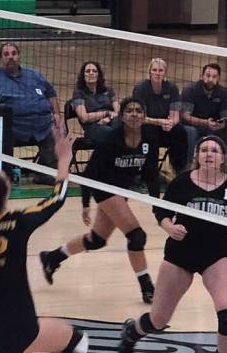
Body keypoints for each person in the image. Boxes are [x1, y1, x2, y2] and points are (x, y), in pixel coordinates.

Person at [0, 131, 88, 353]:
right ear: (5, 195)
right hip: (16, 319)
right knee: (77, 341)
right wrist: (63, 160)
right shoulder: (18, 222)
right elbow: (56, 199)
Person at [39, 97, 160, 304]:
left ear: (144, 116)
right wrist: (85, 204)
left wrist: (159, 206)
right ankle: (147, 288)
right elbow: (89, 174)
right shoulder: (111, 140)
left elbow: (151, 174)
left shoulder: (149, 139)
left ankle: (52, 257)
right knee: (136, 236)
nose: (134, 114)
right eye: (129, 110)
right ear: (122, 116)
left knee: (97, 240)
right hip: (103, 189)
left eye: (138, 110)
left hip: (121, 192)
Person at [118, 135, 227, 353]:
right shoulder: (182, 182)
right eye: (204, 150)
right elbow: (162, 211)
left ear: (223, 158)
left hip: (217, 256)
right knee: (158, 319)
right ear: (197, 155)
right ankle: (132, 332)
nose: (209, 154)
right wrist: (169, 227)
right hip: (181, 255)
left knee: (226, 314)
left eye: (214, 151)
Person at [0, 42, 61, 185]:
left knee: (57, 133)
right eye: (6, 54)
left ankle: (43, 174)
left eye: (13, 53)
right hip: (15, 127)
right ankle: (5, 174)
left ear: (19, 56)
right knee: (2, 137)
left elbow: (51, 93)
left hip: (42, 125)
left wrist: (57, 114)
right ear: (0, 58)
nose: (10, 57)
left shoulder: (34, 75)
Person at [131, 58, 188, 174]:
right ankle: (150, 173)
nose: (157, 73)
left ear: (165, 73)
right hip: (147, 125)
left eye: (160, 70)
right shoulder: (141, 88)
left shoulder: (172, 88)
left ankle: (179, 170)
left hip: (165, 126)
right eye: (154, 70)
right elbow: (140, 117)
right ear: (150, 72)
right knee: (149, 133)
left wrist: (171, 123)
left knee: (180, 131)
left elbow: (175, 115)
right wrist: (160, 122)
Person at [181, 62, 227, 162]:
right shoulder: (190, 90)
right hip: (191, 126)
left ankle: (221, 166)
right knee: (191, 132)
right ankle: (189, 165)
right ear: (202, 76)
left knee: (221, 133)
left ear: (218, 78)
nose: (210, 79)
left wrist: (221, 125)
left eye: (214, 76)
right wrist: (205, 122)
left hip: (212, 127)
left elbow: (225, 118)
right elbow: (185, 116)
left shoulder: (223, 93)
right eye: (208, 75)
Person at [71, 60, 119, 143]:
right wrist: (107, 113)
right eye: (87, 71)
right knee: (108, 132)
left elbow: (118, 111)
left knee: (122, 127)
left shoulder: (109, 91)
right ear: (83, 75)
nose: (91, 73)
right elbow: (84, 118)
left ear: (98, 75)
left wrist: (108, 118)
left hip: (111, 120)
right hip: (93, 127)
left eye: (94, 71)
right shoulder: (78, 92)